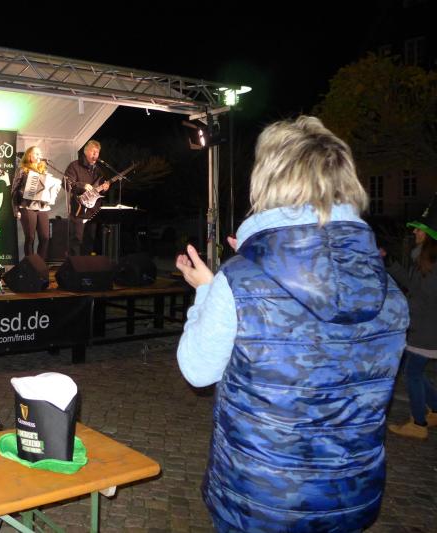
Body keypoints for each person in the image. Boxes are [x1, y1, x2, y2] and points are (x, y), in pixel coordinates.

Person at [174, 116, 409, 532]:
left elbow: (197, 370)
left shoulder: (240, 279)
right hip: (350, 496)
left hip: (261, 501)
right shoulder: (389, 289)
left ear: (270, 180)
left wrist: (211, 290)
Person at [386, 193, 437, 439]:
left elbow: (426, 297)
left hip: (426, 330)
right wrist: (390, 263)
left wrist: (405, 308)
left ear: (429, 236)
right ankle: (435, 409)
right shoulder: (423, 260)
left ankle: (419, 424)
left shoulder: (433, 265)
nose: (415, 232)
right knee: (414, 370)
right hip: (422, 327)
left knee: (411, 373)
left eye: (419, 230)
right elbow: (412, 284)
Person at [64, 140, 109, 255]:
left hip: (93, 211)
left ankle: (86, 264)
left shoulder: (99, 170)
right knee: (76, 240)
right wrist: (82, 185)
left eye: (97, 152)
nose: (95, 155)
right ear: (85, 152)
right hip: (78, 209)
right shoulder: (74, 166)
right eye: (93, 151)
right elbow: (66, 184)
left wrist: (105, 188)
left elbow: (100, 190)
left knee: (89, 241)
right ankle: (74, 264)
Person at [11, 146, 51, 260]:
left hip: (42, 206)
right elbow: (14, 190)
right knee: (30, 238)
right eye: (36, 154)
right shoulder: (22, 170)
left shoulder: (43, 170)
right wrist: (15, 209)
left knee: (45, 237)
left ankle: (40, 264)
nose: (39, 156)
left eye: (40, 153)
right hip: (27, 206)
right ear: (29, 155)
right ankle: (31, 264)